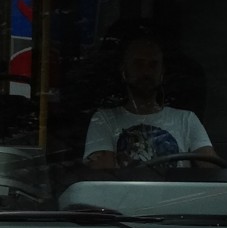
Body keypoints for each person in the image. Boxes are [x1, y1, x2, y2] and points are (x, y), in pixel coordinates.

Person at [83, 35, 219, 169]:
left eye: (153, 65)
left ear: (162, 73)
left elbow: (212, 170)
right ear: (124, 71)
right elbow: (103, 176)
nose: (146, 72)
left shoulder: (187, 119)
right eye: (138, 64)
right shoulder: (104, 120)